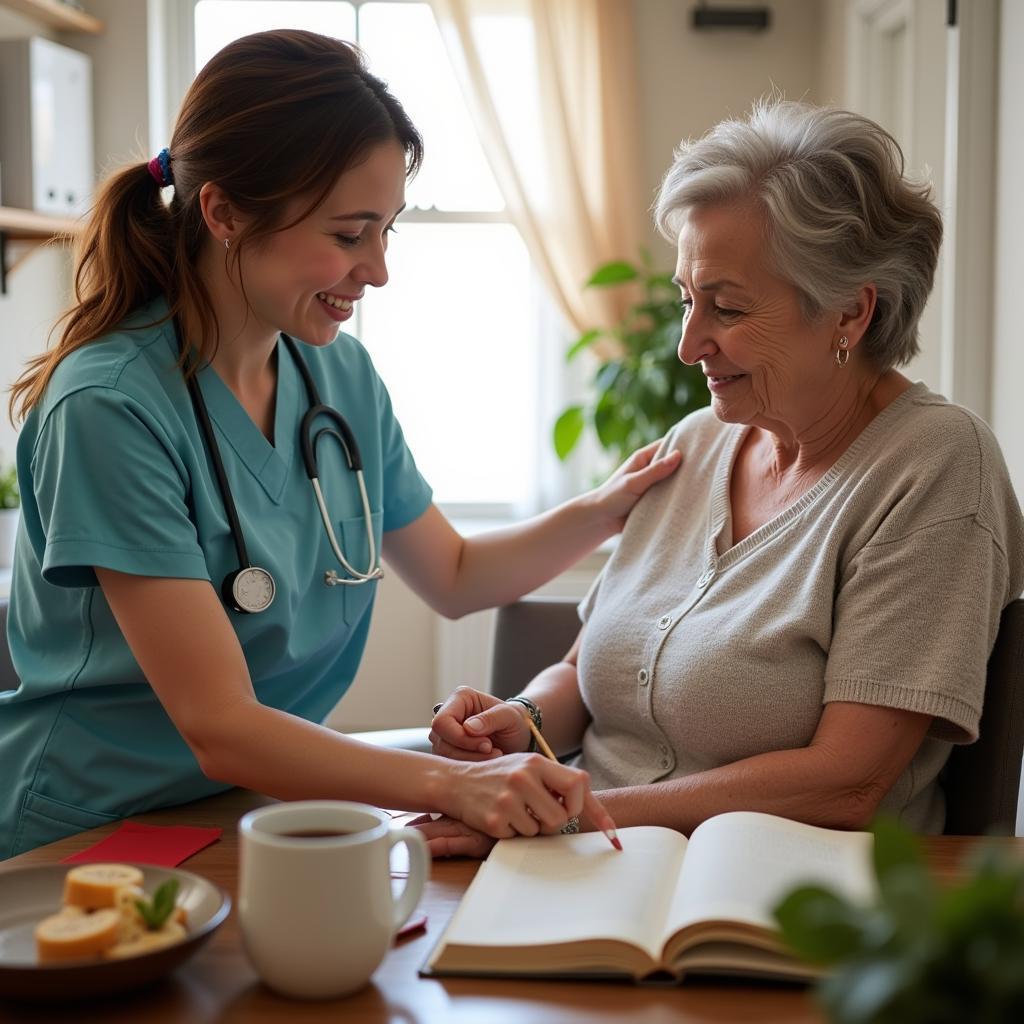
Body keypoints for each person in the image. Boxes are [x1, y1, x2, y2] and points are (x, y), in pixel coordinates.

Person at [0, 29, 680, 858]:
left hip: (250, 809)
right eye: (350, 233)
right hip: (87, 834)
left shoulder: (339, 378)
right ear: (223, 212)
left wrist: (605, 510)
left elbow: (457, 576)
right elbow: (220, 726)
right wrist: (454, 783)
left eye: (388, 230)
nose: (379, 270)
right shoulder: (107, 408)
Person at [422, 100, 1024, 857]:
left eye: (727, 308)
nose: (686, 345)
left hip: (780, 896)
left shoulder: (936, 464)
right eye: (686, 299)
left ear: (850, 314)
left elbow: (848, 782)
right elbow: (587, 674)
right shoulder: (697, 441)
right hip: (586, 859)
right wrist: (523, 718)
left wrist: (574, 814)